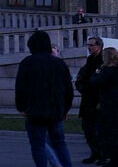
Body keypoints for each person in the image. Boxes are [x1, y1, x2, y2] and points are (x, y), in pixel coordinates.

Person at [15, 30, 74, 167]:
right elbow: (68, 90)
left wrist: (22, 107)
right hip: (56, 110)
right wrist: (65, 109)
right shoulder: (59, 64)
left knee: (38, 145)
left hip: (35, 111)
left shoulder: (27, 63)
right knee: (59, 143)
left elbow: (20, 88)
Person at [76, 35, 104, 164]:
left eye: (92, 45)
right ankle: (95, 153)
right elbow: (82, 78)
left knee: (98, 130)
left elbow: (100, 81)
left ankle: (102, 154)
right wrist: (81, 86)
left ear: (99, 46)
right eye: (88, 45)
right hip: (87, 100)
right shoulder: (89, 61)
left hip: (98, 101)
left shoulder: (102, 61)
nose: (89, 47)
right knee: (88, 129)